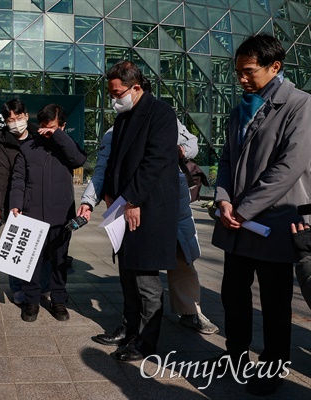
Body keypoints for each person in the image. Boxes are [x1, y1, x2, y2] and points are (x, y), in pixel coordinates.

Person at [212, 34, 311, 395]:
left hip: (274, 222)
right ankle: (235, 355)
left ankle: (272, 367)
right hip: (236, 221)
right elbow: (226, 160)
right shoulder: (241, 108)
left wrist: (243, 207)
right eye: (237, 71)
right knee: (232, 295)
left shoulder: (300, 105)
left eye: (248, 71)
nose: (241, 78)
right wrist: (223, 199)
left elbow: (289, 167)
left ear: (275, 67)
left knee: (274, 302)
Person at [80, 117, 218, 345]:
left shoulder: (165, 121)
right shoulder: (114, 132)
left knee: (182, 256)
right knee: (138, 266)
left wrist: (182, 150)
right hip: (135, 204)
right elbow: (102, 169)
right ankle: (134, 325)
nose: (117, 100)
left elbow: (192, 143)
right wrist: (89, 200)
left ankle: (190, 311)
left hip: (171, 200)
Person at [98, 61, 179, 362]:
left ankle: (145, 341)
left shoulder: (160, 114)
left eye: (118, 93)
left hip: (147, 208)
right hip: (123, 206)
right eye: (112, 94)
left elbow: (155, 162)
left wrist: (132, 199)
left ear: (136, 87)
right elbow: (116, 161)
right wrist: (110, 192)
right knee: (127, 274)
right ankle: (129, 328)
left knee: (145, 279)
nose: (114, 99)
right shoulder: (123, 118)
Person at [9, 104, 87, 322]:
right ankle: (31, 301)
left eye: (50, 127)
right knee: (31, 261)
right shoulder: (28, 148)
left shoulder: (67, 147)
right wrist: (16, 202)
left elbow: (79, 160)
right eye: (42, 126)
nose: (45, 131)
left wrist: (59, 137)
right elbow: (18, 179)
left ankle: (59, 301)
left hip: (62, 215)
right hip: (32, 214)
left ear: (62, 126)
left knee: (59, 260)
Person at [0, 99, 46, 305]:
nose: (15, 122)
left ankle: (41, 286)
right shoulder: (3, 144)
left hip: (38, 201)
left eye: (18, 117)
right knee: (17, 248)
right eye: (10, 119)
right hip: (13, 204)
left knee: (40, 248)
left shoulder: (41, 137)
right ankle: (18, 287)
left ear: (26, 116)